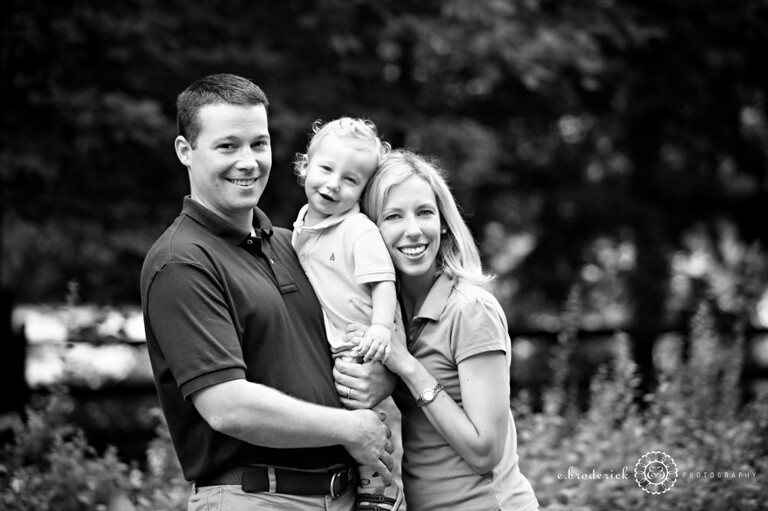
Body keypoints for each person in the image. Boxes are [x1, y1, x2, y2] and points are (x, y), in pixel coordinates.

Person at [140, 73, 395, 510]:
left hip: (343, 495)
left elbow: (347, 332)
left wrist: (380, 378)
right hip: (257, 497)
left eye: (259, 143)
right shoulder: (181, 262)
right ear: (185, 150)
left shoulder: (293, 244)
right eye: (228, 146)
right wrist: (350, 428)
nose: (248, 161)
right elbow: (229, 407)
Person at [336, 149, 539, 510]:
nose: (413, 230)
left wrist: (407, 367)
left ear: (443, 222)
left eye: (425, 212)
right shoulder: (386, 315)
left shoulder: (470, 310)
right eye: (393, 216)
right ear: (369, 232)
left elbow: (485, 452)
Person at [291, 117, 404, 510]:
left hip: (361, 340)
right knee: (342, 413)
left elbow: (383, 282)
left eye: (350, 180)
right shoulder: (300, 226)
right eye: (326, 169)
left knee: (367, 411)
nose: (333, 184)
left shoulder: (358, 229)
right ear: (305, 166)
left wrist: (380, 329)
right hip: (330, 343)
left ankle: (382, 489)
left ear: (363, 189)